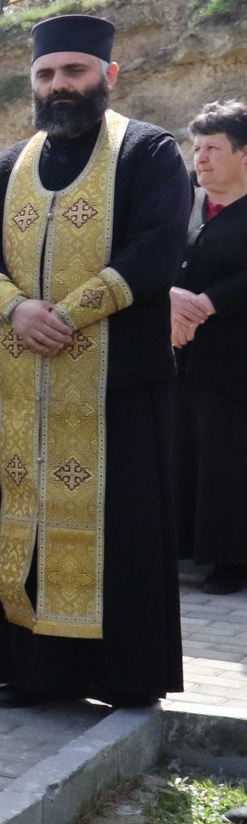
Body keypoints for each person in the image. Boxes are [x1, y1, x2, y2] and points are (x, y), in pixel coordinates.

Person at [0, 14, 190, 709]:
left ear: (107, 74)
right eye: (45, 74)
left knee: (123, 531)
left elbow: (156, 249)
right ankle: (34, 672)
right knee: (23, 522)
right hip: (24, 386)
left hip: (118, 388)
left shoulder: (148, 151)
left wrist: (65, 314)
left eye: (74, 71)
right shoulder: (11, 165)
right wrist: (15, 308)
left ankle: (123, 674)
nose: (58, 85)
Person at [172, 100, 247, 595]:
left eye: (213, 148)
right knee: (185, 455)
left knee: (229, 459)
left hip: (235, 364)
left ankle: (231, 558)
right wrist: (170, 303)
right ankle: (185, 549)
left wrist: (209, 303)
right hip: (182, 360)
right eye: (196, 148)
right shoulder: (184, 208)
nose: (200, 158)